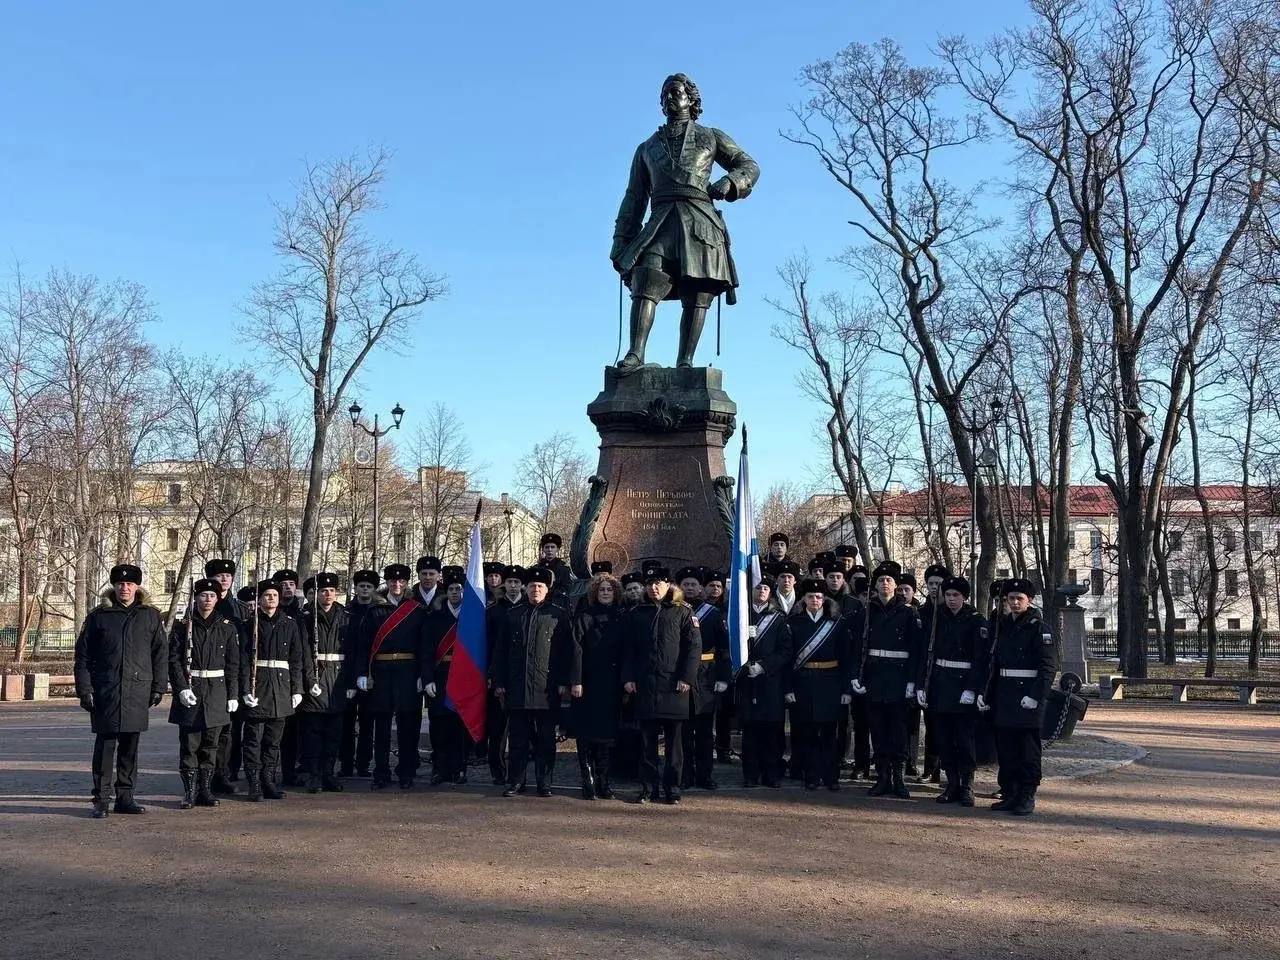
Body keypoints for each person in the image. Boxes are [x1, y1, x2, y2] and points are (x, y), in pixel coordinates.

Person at [611, 72, 760, 369]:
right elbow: (634, 198)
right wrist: (621, 240)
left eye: (675, 91)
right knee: (646, 276)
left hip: (699, 220)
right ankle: (635, 353)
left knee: (698, 289)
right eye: (664, 93)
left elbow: (749, 165)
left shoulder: (711, 136)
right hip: (661, 222)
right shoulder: (646, 148)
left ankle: (685, 361)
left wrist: (731, 182)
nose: (668, 97)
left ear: (691, 98)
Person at [74, 563, 167, 818]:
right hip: (106, 690)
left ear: (137, 587)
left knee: (130, 747)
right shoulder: (99, 616)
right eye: (120, 584)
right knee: (105, 747)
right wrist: (84, 688)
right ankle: (101, 800)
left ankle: (126, 797)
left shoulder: (150, 615)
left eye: (129, 584)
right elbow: (83, 656)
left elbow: (160, 654)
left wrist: (159, 686)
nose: (124, 588)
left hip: (138, 691)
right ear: (113, 586)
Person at [492, 566, 569, 797]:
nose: (536, 590)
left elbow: (566, 653)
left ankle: (544, 782)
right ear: (526, 589)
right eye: (533, 586)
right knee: (518, 740)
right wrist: (498, 680)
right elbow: (501, 651)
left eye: (541, 586)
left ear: (548, 590)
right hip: (517, 687)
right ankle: (516, 781)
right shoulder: (513, 614)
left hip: (546, 689)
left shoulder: (558, 614)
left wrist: (564, 681)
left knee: (546, 740)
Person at [622, 567, 698, 805]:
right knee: (647, 743)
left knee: (675, 744)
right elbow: (628, 650)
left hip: (674, 687)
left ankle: (672, 788)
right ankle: (648, 787)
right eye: (650, 584)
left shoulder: (683, 612)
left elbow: (693, 649)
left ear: (669, 585)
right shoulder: (637, 613)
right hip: (646, 686)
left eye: (659, 583)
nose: (654, 588)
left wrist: (686, 678)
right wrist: (628, 677)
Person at [983, 578, 1057, 816]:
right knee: (1006, 749)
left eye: (1019, 599)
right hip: (1004, 694)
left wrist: (1036, 696)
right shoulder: (1002, 625)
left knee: (1027, 750)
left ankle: (1027, 795)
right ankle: (1011, 792)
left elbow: (1048, 667)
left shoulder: (1039, 627)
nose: (1014, 603)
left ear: (1030, 601)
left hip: (1027, 696)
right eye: (1010, 598)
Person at [850, 561, 924, 800]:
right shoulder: (866, 611)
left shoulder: (909, 612)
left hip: (899, 680)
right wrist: (855, 676)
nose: (885, 584)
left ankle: (899, 778)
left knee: (898, 732)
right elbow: (855, 647)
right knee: (878, 731)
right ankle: (882, 777)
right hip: (873, 679)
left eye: (889, 581)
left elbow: (917, 650)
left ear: (896, 585)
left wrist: (913, 682)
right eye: (881, 580)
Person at [356, 564, 431, 790]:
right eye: (391, 581)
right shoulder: (374, 611)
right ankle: (381, 771)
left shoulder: (417, 610)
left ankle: (406, 771)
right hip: (382, 672)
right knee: (382, 726)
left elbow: (425, 647)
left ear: (407, 583)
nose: (396, 585)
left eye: (400, 581)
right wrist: (362, 673)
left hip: (409, 673)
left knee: (409, 726)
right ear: (386, 583)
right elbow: (364, 645)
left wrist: (423, 675)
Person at [168, 577, 240, 810]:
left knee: (211, 745)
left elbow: (233, 664)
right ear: (195, 598)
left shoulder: (227, 627)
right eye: (203, 595)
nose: (207, 600)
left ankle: (205, 790)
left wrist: (233, 695)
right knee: (189, 744)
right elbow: (174, 661)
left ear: (218, 598)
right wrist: (181, 689)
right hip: (192, 689)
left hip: (217, 690)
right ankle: (189, 792)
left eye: (212, 596)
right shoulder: (182, 626)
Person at [919, 575, 987, 807]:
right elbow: (926, 655)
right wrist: (922, 685)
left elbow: (981, 659)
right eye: (947, 595)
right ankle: (952, 783)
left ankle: (966, 785)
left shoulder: (976, 620)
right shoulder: (937, 618)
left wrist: (972, 688)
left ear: (964, 597)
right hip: (940, 685)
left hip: (963, 685)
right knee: (944, 738)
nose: (950, 599)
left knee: (964, 739)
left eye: (955, 595)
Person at [240, 579, 306, 802]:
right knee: (253, 740)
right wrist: (244, 689)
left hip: (281, 688)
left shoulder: (290, 624)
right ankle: (254, 784)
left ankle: (269, 780)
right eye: (267, 595)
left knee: (273, 741)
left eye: (275, 596)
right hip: (257, 686)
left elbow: (297, 659)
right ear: (259, 599)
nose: (271, 599)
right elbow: (241, 660)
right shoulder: (249, 624)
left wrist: (297, 689)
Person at [785, 577, 852, 791]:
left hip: (831, 682)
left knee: (830, 733)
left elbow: (846, 657)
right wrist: (788, 688)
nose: (815, 599)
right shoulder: (794, 622)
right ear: (803, 599)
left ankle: (831, 776)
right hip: (803, 683)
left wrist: (846, 689)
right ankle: (811, 775)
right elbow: (787, 658)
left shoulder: (837, 623)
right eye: (811, 596)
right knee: (808, 733)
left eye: (819, 596)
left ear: (825, 599)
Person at [567, 573, 626, 800]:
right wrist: (576, 680)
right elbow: (576, 650)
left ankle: (604, 780)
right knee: (586, 733)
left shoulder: (622, 617)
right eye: (601, 590)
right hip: (588, 683)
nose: (605, 593)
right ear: (594, 592)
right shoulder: (584, 617)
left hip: (611, 684)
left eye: (609, 590)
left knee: (607, 735)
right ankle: (587, 779)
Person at [675, 567, 729, 790]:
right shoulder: (674, 610)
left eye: (693, 584)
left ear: (700, 588)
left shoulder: (713, 613)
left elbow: (724, 648)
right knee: (684, 732)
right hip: (682, 675)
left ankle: (705, 775)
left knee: (706, 732)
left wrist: (723, 676)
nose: (689, 588)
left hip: (707, 674)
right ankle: (685, 775)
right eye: (685, 584)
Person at [298, 572, 351, 794]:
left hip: (337, 679)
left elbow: (353, 650)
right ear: (317, 593)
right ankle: (314, 775)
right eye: (323, 591)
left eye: (331, 591)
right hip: (317, 676)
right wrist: (310, 680)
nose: (327, 594)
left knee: (334, 733)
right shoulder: (308, 617)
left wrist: (351, 680)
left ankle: (329, 773)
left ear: (336, 592)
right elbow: (303, 652)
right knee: (313, 733)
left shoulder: (346, 616)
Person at [737, 577, 793, 788]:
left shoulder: (779, 619)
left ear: (771, 592)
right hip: (747, 679)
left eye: (766, 587)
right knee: (750, 731)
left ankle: (772, 773)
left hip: (771, 681)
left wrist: (764, 666)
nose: (761, 590)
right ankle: (750, 774)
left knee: (772, 731)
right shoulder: (742, 615)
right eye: (758, 587)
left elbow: (786, 651)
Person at [207, 558, 250, 796]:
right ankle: (208, 774)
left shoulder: (242, 609)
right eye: (219, 576)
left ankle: (227, 772)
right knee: (211, 730)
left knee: (232, 730)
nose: (224, 579)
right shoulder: (205, 604)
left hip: (236, 673)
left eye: (228, 575)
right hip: (211, 674)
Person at [425, 570, 470, 785]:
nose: (454, 592)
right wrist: (427, 679)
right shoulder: (435, 617)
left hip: (463, 677)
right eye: (451, 589)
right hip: (440, 677)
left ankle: (459, 767)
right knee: (439, 726)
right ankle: (439, 768)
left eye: (458, 589)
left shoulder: (472, 618)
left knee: (459, 726)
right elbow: (425, 651)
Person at [339, 569, 379, 778]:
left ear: (373, 589)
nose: (364, 589)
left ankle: (363, 763)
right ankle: (346, 763)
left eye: (369, 586)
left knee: (367, 722)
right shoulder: (346, 612)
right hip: (347, 673)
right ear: (356, 588)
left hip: (370, 674)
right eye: (361, 586)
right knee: (346, 722)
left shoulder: (378, 611)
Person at [536, 533, 575, 604]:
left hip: (558, 604)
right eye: (547, 547)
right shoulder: (537, 568)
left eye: (552, 547)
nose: (549, 550)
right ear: (543, 549)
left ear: (557, 549)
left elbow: (567, 589)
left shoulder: (564, 570)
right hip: (539, 604)